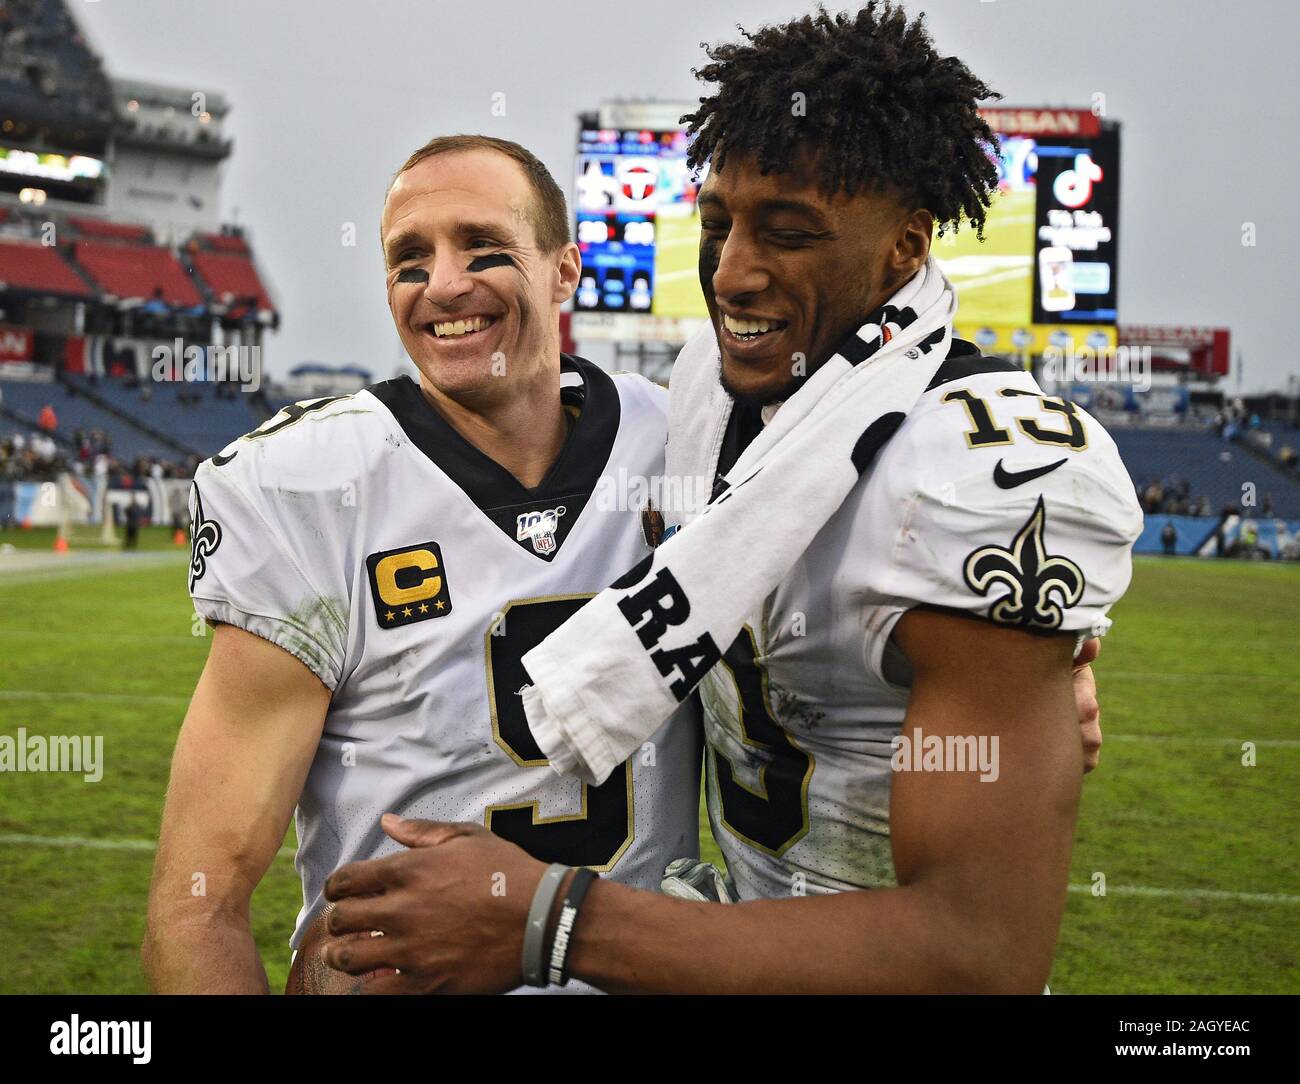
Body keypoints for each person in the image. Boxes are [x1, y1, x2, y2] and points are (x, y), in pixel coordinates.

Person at [318, 3, 1139, 994]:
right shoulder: (711, 385)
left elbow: (977, 953)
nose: (733, 272)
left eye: (787, 233)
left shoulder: (976, 475)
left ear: (904, 248)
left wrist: (550, 922)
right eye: (718, 225)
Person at [142, 135, 701, 994]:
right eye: (411, 259)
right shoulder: (309, 490)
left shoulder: (681, 446)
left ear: (564, 271)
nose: (443, 284)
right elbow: (196, 905)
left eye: (484, 248)